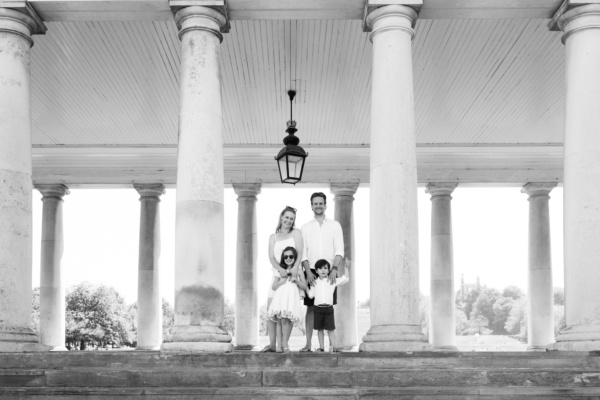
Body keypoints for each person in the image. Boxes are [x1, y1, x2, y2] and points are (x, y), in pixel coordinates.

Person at [299, 192, 344, 352]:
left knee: (329, 307)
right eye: (315, 203)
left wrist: (334, 269)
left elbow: (339, 250)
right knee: (311, 309)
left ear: (326, 205)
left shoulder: (335, 225)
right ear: (311, 206)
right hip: (311, 271)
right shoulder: (305, 228)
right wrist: (308, 273)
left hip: (330, 270)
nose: (318, 206)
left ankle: (332, 345)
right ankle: (308, 344)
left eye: (321, 203)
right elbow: (303, 252)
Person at [261, 206, 304, 353]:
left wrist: (294, 269)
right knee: (271, 308)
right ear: (281, 217)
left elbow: (299, 253)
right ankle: (273, 344)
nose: (288, 220)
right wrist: (280, 270)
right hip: (278, 275)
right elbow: (272, 258)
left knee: (288, 309)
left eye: (291, 218)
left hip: (291, 276)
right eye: (286, 217)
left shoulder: (296, 233)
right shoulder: (273, 237)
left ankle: (284, 344)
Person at [267, 246, 309, 353]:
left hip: (291, 297)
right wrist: (282, 281)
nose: (288, 258)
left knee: (287, 320)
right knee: (280, 321)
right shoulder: (280, 270)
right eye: (286, 256)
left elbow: (305, 287)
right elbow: (273, 286)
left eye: (291, 256)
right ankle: (279, 345)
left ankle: (285, 344)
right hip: (281, 296)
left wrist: (296, 281)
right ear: (283, 258)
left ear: (295, 257)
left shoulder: (298, 271)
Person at [307, 259, 349, 352]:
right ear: (316, 271)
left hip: (329, 309)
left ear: (329, 270)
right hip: (317, 308)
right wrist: (306, 287)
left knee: (331, 329)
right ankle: (321, 348)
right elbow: (310, 295)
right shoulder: (314, 282)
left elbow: (345, 279)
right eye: (320, 268)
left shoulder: (332, 280)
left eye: (325, 268)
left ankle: (334, 347)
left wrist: (346, 268)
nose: (323, 270)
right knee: (319, 329)